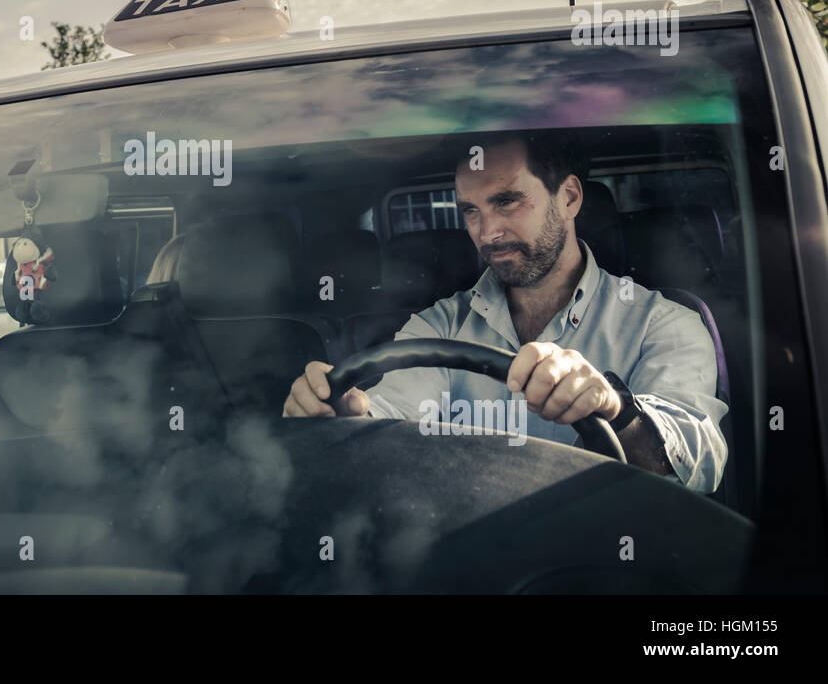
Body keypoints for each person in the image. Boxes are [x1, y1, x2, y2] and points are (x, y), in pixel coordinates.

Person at [282, 132, 728, 493]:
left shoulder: (664, 323)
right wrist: (343, 419)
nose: (488, 232)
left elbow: (697, 463)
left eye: (507, 201)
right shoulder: (438, 325)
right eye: (471, 211)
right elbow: (391, 416)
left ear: (570, 198)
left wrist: (615, 408)